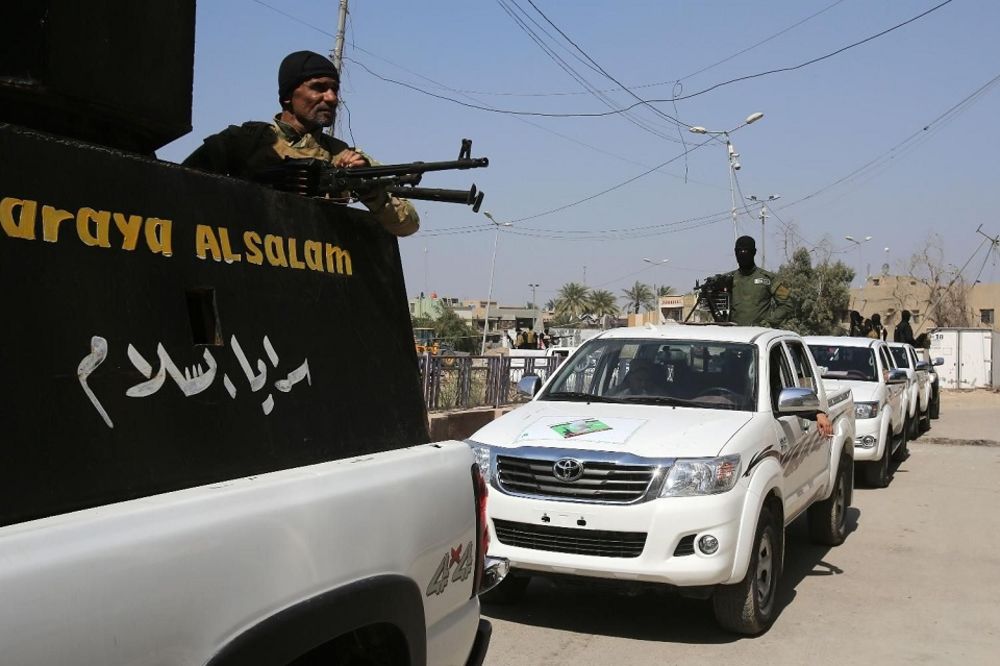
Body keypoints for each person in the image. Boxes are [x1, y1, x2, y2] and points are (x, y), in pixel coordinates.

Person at [183, 51, 418, 237]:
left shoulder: (344, 156)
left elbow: (408, 224)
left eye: (334, 89)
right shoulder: (243, 142)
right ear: (288, 96)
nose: (332, 98)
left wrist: (368, 188)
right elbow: (181, 187)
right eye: (319, 87)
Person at [728, 236, 792, 327]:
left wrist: (769, 323)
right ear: (735, 253)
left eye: (746, 251)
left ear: (754, 252)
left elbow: (787, 304)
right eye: (739, 251)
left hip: (760, 336)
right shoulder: (729, 279)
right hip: (735, 336)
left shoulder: (769, 279)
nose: (742, 254)